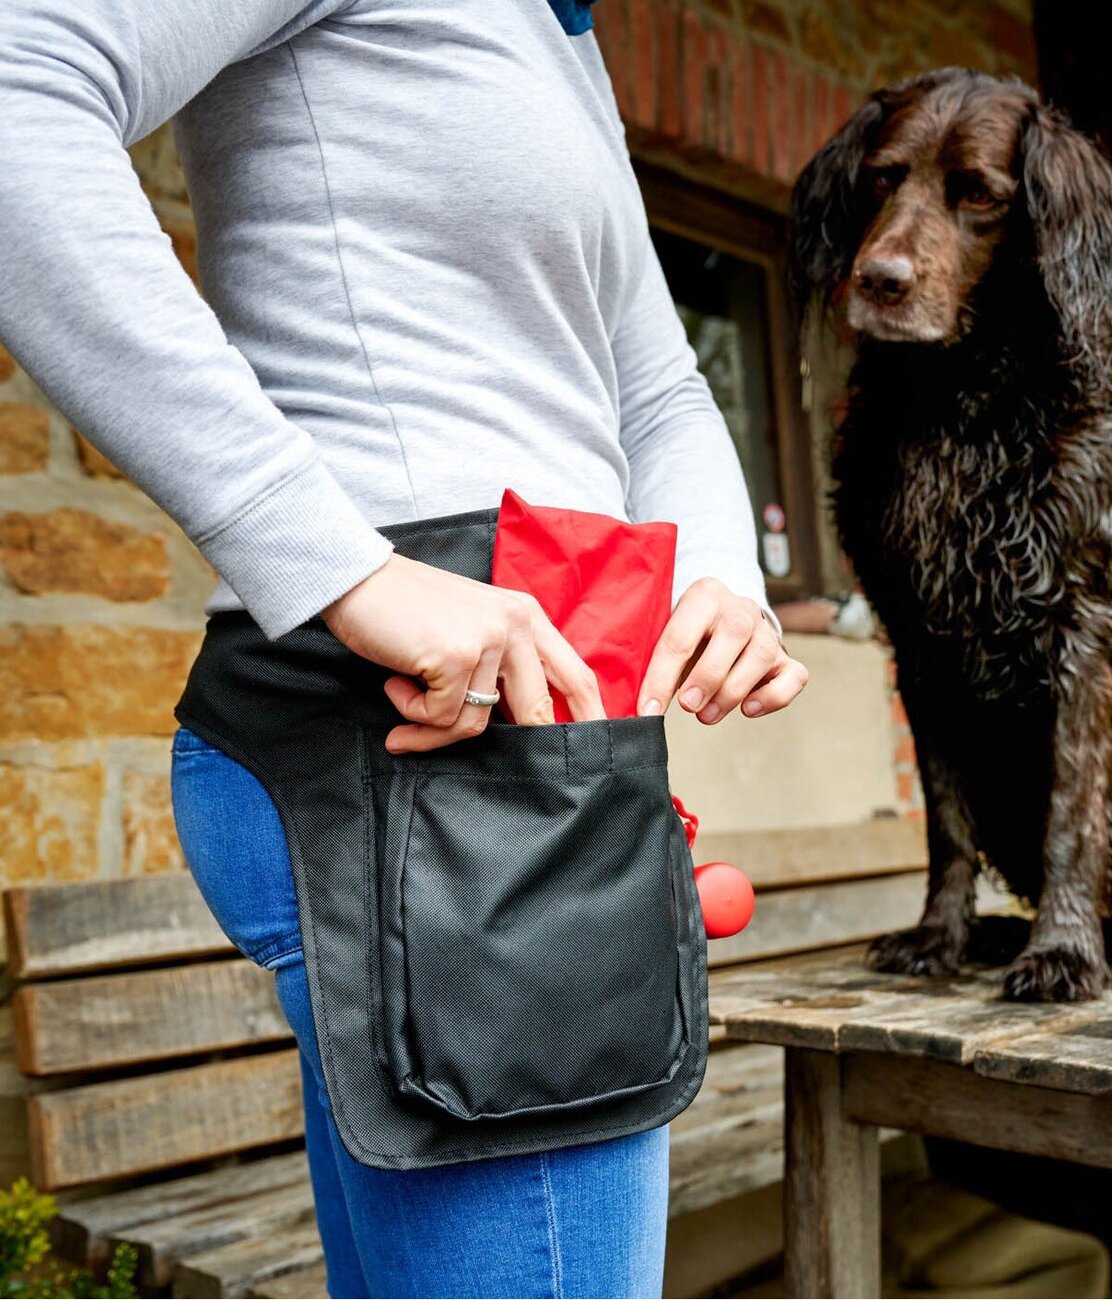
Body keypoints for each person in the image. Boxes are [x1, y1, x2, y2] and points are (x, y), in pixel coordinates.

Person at [0, 2, 809, 1296]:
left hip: (537, 742)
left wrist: (727, 574)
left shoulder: (565, 35)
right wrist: (337, 565)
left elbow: (656, 382)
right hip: (416, 743)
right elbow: (18, 82)